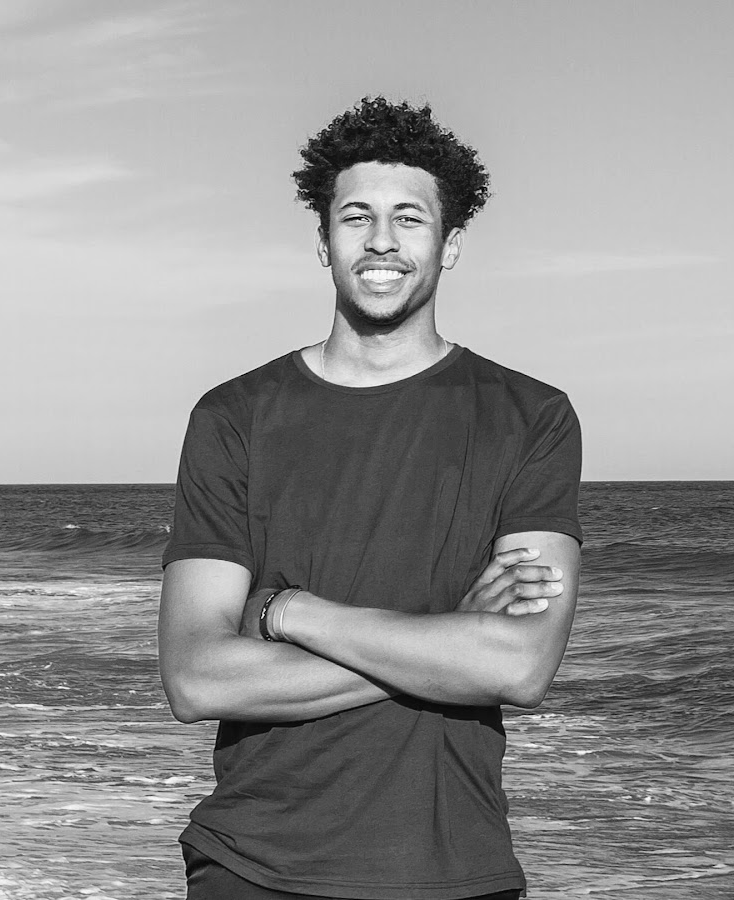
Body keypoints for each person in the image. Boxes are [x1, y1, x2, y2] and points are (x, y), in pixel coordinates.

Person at [158, 96, 582, 900]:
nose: (381, 240)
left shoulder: (531, 416)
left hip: (453, 869)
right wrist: (447, 639)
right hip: (252, 867)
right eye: (356, 217)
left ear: (450, 244)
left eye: (408, 219)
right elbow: (197, 678)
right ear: (324, 242)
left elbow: (520, 666)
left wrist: (287, 611)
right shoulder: (233, 417)